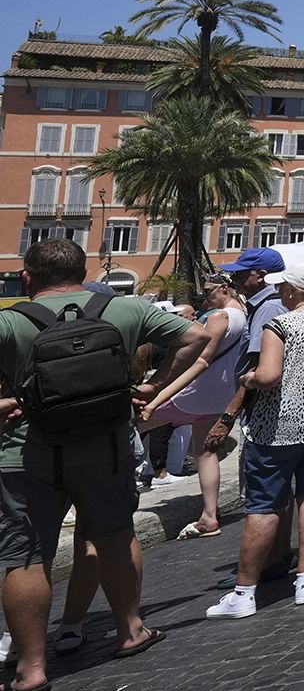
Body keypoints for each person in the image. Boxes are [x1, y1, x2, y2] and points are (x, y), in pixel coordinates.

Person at [0, 240, 212, 686]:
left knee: (27, 557)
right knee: (115, 537)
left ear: (28, 278)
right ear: (85, 270)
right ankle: (131, 630)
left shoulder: (9, 321)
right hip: (107, 448)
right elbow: (198, 337)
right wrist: (155, 384)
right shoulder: (128, 310)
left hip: (26, 454)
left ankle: (31, 667)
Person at [205, 260, 304, 619]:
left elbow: (269, 376)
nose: (279, 291)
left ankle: (244, 593)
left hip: (281, 428)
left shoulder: (280, 325)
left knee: (263, 504)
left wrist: (248, 380)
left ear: (293, 290)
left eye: (282, 287)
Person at [138, 273, 248, 541]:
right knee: (206, 452)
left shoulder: (219, 318)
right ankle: (209, 515)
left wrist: (157, 396)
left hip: (192, 393)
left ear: (224, 288)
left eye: (209, 291)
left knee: (128, 429)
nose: (204, 297)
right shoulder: (245, 315)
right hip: (221, 394)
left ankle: (85, 505)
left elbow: (200, 359)